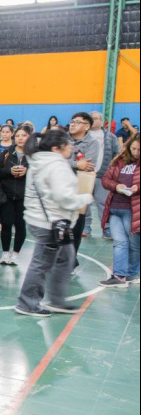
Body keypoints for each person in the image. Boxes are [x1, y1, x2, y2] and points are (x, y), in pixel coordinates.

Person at [15, 129, 94, 317]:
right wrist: (84, 198)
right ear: (57, 148)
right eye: (69, 145)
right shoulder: (56, 164)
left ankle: (57, 300)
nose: (71, 148)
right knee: (41, 263)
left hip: (42, 219)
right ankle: (27, 303)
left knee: (65, 258)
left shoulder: (38, 161)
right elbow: (63, 197)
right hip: (50, 222)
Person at [98, 135, 140, 287]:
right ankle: (119, 276)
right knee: (120, 243)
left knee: (134, 245)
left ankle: (132, 274)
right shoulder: (119, 160)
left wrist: (137, 187)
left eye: (139, 150)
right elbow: (106, 179)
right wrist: (116, 186)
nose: (135, 152)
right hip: (115, 207)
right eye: (133, 148)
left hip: (134, 210)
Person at [0, 125, 31, 265]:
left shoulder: (34, 156)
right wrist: (9, 172)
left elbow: (40, 174)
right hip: (6, 195)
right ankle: (5, 253)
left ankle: (15, 254)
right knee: (6, 224)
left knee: (21, 225)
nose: (20, 138)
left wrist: (28, 171)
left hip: (24, 196)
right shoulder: (7, 153)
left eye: (24, 135)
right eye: (18, 136)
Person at [67, 112, 100, 258]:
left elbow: (87, 165)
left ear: (86, 126)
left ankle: (71, 260)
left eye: (77, 122)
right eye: (72, 121)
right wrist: (75, 164)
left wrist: (69, 164)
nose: (72, 124)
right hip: (61, 187)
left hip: (80, 189)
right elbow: (55, 160)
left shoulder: (93, 143)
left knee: (76, 227)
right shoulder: (63, 139)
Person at [89, 111, 120, 239]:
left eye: (95, 119)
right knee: (83, 204)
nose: (92, 121)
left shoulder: (110, 137)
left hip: (102, 175)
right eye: (90, 119)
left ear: (101, 120)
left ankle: (106, 229)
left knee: (103, 203)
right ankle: (85, 227)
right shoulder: (83, 135)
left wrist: (112, 172)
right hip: (85, 175)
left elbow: (117, 154)